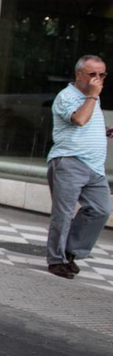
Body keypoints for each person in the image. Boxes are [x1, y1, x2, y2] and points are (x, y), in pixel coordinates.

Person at [45, 54, 110, 279]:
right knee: (63, 214)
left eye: (102, 75)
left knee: (101, 210)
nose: (97, 79)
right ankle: (56, 260)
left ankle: (70, 250)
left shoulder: (93, 98)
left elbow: (86, 127)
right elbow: (79, 120)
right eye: (92, 74)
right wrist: (92, 96)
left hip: (95, 167)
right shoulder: (67, 96)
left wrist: (105, 132)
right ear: (78, 74)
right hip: (69, 162)